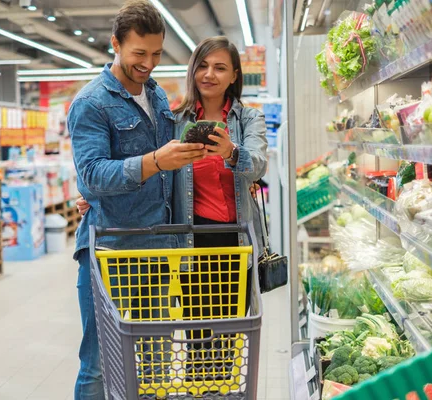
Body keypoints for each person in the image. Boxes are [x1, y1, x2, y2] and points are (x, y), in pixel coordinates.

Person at [67, 1, 207, 399]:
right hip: (111, 250)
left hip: (158, 247)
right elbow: (92, 175)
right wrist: (153, 161)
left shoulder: (157, 94)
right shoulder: (91, 103)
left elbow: (163, 171)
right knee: (99, 364)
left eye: (157, 54)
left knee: (158, 359)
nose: (149, 63)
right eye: (139, 54)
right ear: (116, 44)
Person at [171, 36, 268, 381]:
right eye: (202, 65)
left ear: (234, 76)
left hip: (235, 240)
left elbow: (257, 166)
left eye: (220, 68)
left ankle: (221, 388)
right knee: (197, 337)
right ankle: (201, 389)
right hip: (191, 240)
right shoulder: (174, 120)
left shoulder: (248, 119)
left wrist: (230, 152)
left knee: (228, 337)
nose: (209, 74)